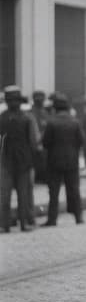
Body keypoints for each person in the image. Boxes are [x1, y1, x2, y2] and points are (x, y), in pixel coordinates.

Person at [41, 93, 85, 225]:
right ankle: (78, 217)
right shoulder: (75, 122)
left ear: (55, 108)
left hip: (54, 161)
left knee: (53, 192)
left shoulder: (51, 123)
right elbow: (82, 141)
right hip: (72, 161)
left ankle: (52, 219)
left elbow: (45, 142)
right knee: (74, 189)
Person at [0, 85, 37, 232]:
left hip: (18, 161)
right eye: (11, 100)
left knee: (21, 195)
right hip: (8, 161)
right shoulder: (25, 117)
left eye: (15, 100)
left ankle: (15, 224)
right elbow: (33, 142)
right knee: (9, 195)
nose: (13, 102)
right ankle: (8, 224)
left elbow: (32, 141)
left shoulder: (24, 118)